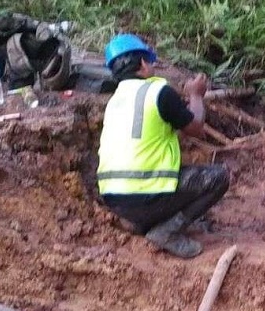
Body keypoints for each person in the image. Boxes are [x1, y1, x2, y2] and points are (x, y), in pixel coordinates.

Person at [96, 33, 230, 258]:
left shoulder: (114, 101)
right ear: (142, 63)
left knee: (178, 170)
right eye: (150, 60)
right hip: (146, 197)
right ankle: (168, 231)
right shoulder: (158, 92)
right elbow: (196, 128)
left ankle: (147, 223)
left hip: (115, 201)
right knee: (218, 177)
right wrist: (196, 95)